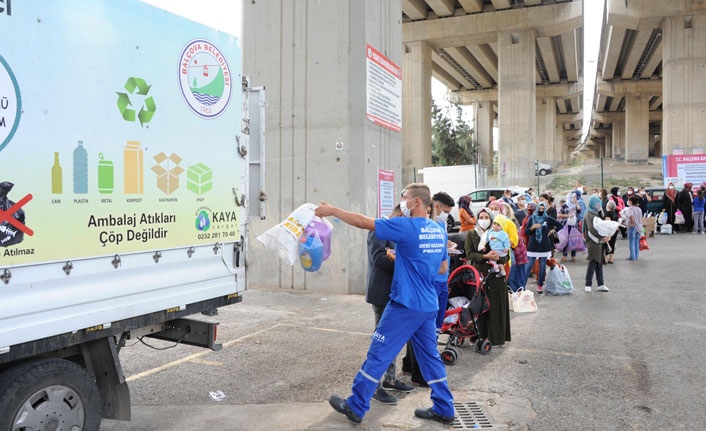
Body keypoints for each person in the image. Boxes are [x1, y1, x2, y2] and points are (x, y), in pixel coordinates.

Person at [317, 184, 455, 425]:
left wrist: (333, 210)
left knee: (378, 353)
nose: (403, 201)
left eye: (406, 198)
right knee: (430, 358)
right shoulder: (438, 230)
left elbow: (362, 222)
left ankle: (356, 405)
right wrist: (413, 261)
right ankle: (444, 408)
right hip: (427, 305)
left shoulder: (406, 226)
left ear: (417, 203)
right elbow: (442, 268)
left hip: (404, 305)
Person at [364, 205, 415, 405]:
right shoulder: (379, 228)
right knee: (381, 342)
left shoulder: (396, 230)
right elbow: (378, 259)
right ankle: (373, 387)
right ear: (400, 215)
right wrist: (406, 261)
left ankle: (390, 380)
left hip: (396, 294)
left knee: (392, 340)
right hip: (382, 294)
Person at [464, 210, 511, 347]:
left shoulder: (498, 234)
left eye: (486, 217)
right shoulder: (472, 234)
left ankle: (496, 338)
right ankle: (479, 336)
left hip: (495, 275)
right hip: (479, 275)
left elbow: (507, 255)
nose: (483, 219)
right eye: (481, 217)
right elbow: (469, 254)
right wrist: (485, 257)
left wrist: (498, 258)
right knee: (479, 307)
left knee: (496, 307)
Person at [523, 202, 562, 294]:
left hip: (544, 246)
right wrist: (532, 227)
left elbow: (560, 225)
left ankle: (540, 285)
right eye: (539, 209)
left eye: (542, 209)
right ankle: (522, 284)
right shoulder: (532, 217)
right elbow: (526, 232)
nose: (541, 210)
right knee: (529, 266)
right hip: (533, 246)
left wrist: (552, 231)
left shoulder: (547, 218)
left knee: (542, 267)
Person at [583, 196, 610, 292]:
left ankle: (600, 283)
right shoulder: (589, 215)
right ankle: (588, 284)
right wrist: (603, 237)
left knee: (599, 263)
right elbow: (591, 229)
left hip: (598, 242)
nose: (599, 206)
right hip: (592, 242)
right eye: (597, 204)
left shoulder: (595, 214)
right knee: (593, 261)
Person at [558, 192, 581, 262]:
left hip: (574, 225)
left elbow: (579, 212)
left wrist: (577, 203)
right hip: (566, 225)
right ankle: (564, 255)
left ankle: (573, 256)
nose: (575, 199)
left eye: (575, 197)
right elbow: (559, 215)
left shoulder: (575, 205)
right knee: (566, 240)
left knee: (574, 240)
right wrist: (568, 216)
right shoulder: (565, 205)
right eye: (574, 197)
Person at [622, 196, 643, 261]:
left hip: (632, 227)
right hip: (639, 227)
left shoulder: (630, 209)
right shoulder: (639, 209)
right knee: (636, 242)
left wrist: (632, 223)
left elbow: (630, 216)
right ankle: (636, 256)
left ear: (631, 202)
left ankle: (632, 256)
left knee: (631, 242)